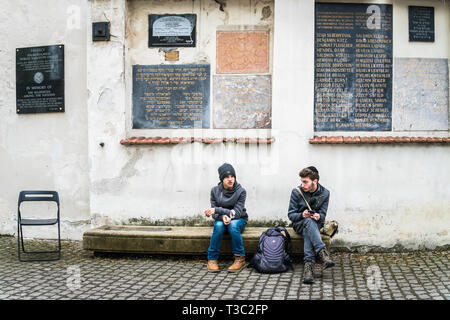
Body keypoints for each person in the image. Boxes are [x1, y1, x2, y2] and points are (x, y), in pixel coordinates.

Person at [287, 166, 334, 284]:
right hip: (299, 224)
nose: (302, 184)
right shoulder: (296, 192)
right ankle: (322, 253)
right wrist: (302, 215)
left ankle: (309, 269)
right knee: (308, 221)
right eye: (301, 181)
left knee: (310, 224)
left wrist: (319, 216)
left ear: (315, 181)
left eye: (305, 181)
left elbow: (323, 215)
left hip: (315, 225)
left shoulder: (325, 193)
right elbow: (291, 215)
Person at [204, 163, 248, 272]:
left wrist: (219, 211)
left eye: (232, 176)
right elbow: (214, 213)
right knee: (218, 225)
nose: (230, 179)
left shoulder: (241, 191)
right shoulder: (215, 191)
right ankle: (212, 259)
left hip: (239, 220)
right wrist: (222, 216)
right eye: (227, 177)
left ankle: (240, 258)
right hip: (221, 220)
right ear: (221, 179)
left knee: (233, 225)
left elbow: (237, 213)